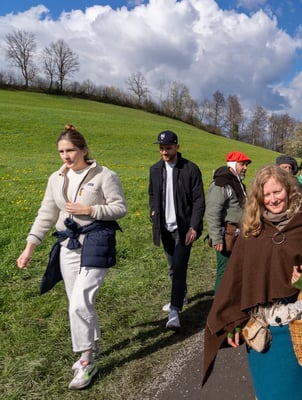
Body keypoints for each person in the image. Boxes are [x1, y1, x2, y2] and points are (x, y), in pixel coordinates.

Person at [202, 165, 302, 399]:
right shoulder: (252, 230)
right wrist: (232, 321)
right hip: (260, 328)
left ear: (288, 190)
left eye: (277, 192)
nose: (273, 199)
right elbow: (236, 280)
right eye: (266, 194)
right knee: (267, 391)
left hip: (296, 328)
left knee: (291, 392)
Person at [16, 124, 127, 390]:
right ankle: (92, 345)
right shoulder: (56, 178)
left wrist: (90, 210)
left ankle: (86, 361)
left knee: (79, 303)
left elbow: (120, 208)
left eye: (71, 150)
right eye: (61, 151)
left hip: (96, 241)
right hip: (68, 245)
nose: (66, 156)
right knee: (78, 302)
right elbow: (46, 213)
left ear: (84, 149)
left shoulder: (104, 175)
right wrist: (30, 247)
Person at [149, 130, 205, 330]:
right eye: (161, 148)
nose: (164, 152)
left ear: (177, 147)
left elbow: (199, 201)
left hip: (184, 229)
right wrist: (153, 212)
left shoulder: (190, 169)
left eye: (168, 148)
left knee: (180, 266)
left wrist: (194, 227)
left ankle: (174, 311)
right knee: (173, 266)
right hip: (165, 228)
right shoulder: (155, 169)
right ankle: (181, 295)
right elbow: (152, 194)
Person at [205, 150, 251, 292]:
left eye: (246, 165)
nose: (245, 168)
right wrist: (216, 238)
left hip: (239, 233)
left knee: (237, 269)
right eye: (242, 164)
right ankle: (219, 302)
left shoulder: (237, 183)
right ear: (232, 164)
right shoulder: (221, 184)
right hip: (226, 235)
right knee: (224, 271)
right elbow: (212, 212)